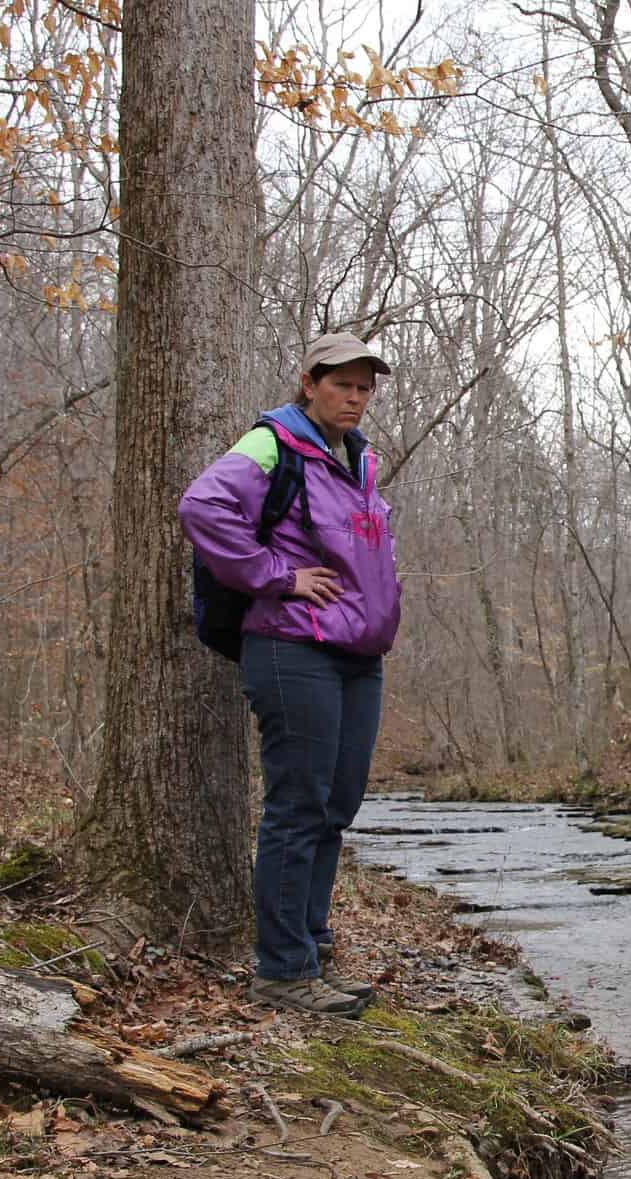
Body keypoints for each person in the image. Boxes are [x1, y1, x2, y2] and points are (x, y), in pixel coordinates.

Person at [179, 332, 403, 1016]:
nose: (356, 397)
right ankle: (282, 970)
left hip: (356, 657)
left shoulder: (358, 461)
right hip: (292, 645)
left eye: (365, 387)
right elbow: (202, 506)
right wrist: (276, 576)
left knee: (335, 806)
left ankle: (312, 947)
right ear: (309, 383)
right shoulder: (272, 443)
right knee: (298, 803)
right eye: (343, 384)